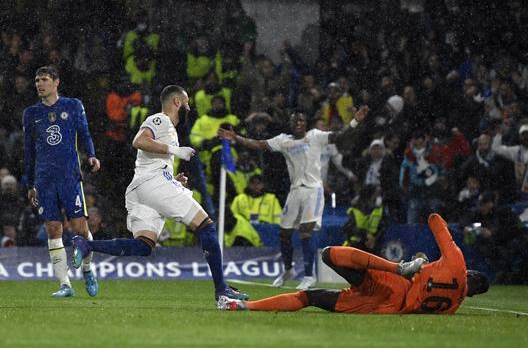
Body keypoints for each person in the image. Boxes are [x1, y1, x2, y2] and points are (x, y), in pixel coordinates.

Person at [71, 85, 247, 303]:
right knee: (207, 226)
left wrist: (173, 181)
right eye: (187, 102)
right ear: (176, 103)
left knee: (144, 246)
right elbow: (139, 141)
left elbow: (151, 162)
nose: (189, 107)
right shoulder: (161, 119)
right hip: (153, 186)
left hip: (144, 189)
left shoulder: (170, 130)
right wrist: (175, 151)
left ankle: (86, 244)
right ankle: (222, 290)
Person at [218, 105, 370, 290]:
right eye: (295, 120)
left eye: (301, 121)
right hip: (295, 191)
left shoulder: (315, 136)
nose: (298, 123)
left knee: (306, 230)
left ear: (305, 124)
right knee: (284, 233)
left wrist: (355, 121)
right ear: (290, 124)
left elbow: (339, 135)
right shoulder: (284, 141)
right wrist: (236, 138)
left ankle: (309, 275)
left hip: (313, 190)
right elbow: (259, 144)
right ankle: (288, 270)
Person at [217, 213, 489, 313]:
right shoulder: (453, 306)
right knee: (309, 298)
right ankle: (244, 306)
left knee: (328, 254)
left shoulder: (457, 264)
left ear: (470, 272)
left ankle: (397, 266)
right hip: (386, 307)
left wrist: (423, 259)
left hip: (393, 283)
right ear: (471, 294)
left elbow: (435, 220)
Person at [22, 66, 101, 298]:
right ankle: (64, 284)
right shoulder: (30, 113)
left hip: (69, 176)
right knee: (53, 229)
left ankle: (87, 269)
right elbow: (28, 150)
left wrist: (92, 154)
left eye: (44, 79)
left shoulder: (73, 105)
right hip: (44, 179)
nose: (39, 84)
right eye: (37, 80)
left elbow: (84, 133)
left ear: (56, 82)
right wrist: (29, 183)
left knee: (80, 229)